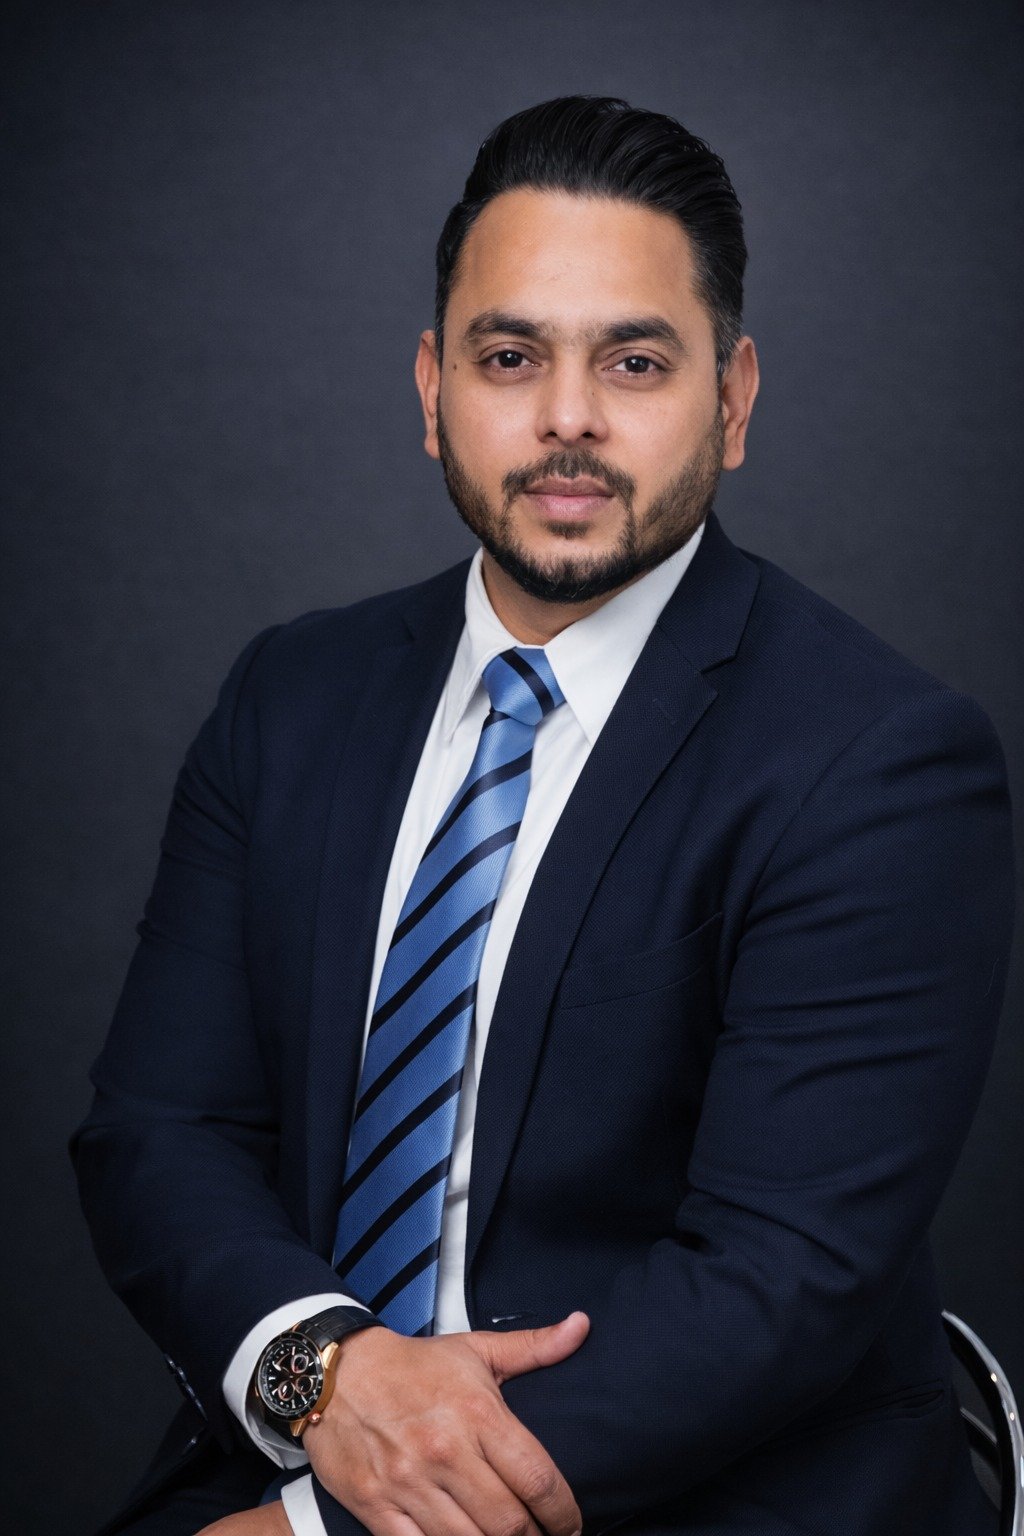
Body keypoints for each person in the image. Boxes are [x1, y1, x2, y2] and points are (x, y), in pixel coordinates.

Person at [71, 95, 1015, 1536]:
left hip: (696, 1495)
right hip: (306, 1431)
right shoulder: (291, 695)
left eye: (634, 360)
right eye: (510, 357)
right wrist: (326, 1379)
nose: (568, 416)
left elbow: (781, 1281)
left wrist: (324, 1528)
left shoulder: (880, 758)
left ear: (735, 399)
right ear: (431, 389)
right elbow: (160, 1130)